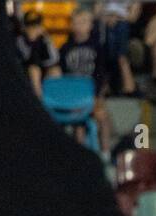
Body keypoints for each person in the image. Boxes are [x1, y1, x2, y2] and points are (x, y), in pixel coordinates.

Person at [59, 7, 113, 152]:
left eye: (83, 22)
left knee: (103, 118)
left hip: (91, 96)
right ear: (71, 25)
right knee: (79, 124)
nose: (79, 26)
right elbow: (63, 77)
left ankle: (105, 153)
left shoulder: (97, 47)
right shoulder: (65, 48)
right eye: (76, 23)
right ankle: (81, 156)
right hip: (73, 97)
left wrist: (98, 96)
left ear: (90, 25)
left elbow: (101, 74)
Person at [17, 10, 60, 99]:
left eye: (36, 26)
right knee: (34, 70)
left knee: (55, 70)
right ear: (24, 28)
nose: (33, 30)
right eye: (30, 27)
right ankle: (39, 100)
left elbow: (54, 59)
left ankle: (54, 101)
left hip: (43, 69)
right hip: (27, 71)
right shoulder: (20, 40)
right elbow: (26, 59)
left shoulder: (45, 39)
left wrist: (45, 40)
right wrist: (33, 43)